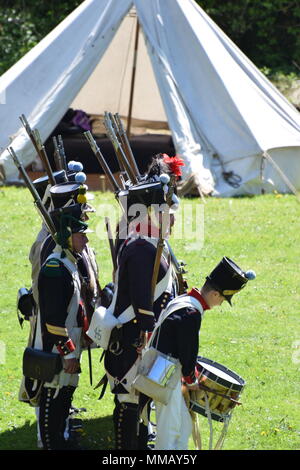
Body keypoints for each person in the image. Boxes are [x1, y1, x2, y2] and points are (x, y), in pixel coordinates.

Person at [101, 154, 184, 450]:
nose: (172, 218)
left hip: (148, 344)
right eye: (167, 212)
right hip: (133, 343)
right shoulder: (140, 250)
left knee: (142, 404)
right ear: (151, 214)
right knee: (128, 404)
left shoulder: (151, 244)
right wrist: (149, 338)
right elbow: (141, 307)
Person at [149, 256, 256, 450]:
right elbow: (187, 352)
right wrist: (191, 380)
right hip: (166, 375)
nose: (221, 303)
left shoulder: (185, 301)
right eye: (223, 298)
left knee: (182, 426)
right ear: (215, 294)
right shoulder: (191, 313)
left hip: (165, 371)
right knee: (170, 433)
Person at [33, 203, 92, 450]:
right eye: (80, 234)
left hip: (71, 346)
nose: (86, 239)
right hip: (58, 350)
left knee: (64, 399)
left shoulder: (70, 262)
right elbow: (53, 320)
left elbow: (75, 307)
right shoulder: (56, 268)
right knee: (52, 403)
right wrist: (68, 352)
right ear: (67, 235)